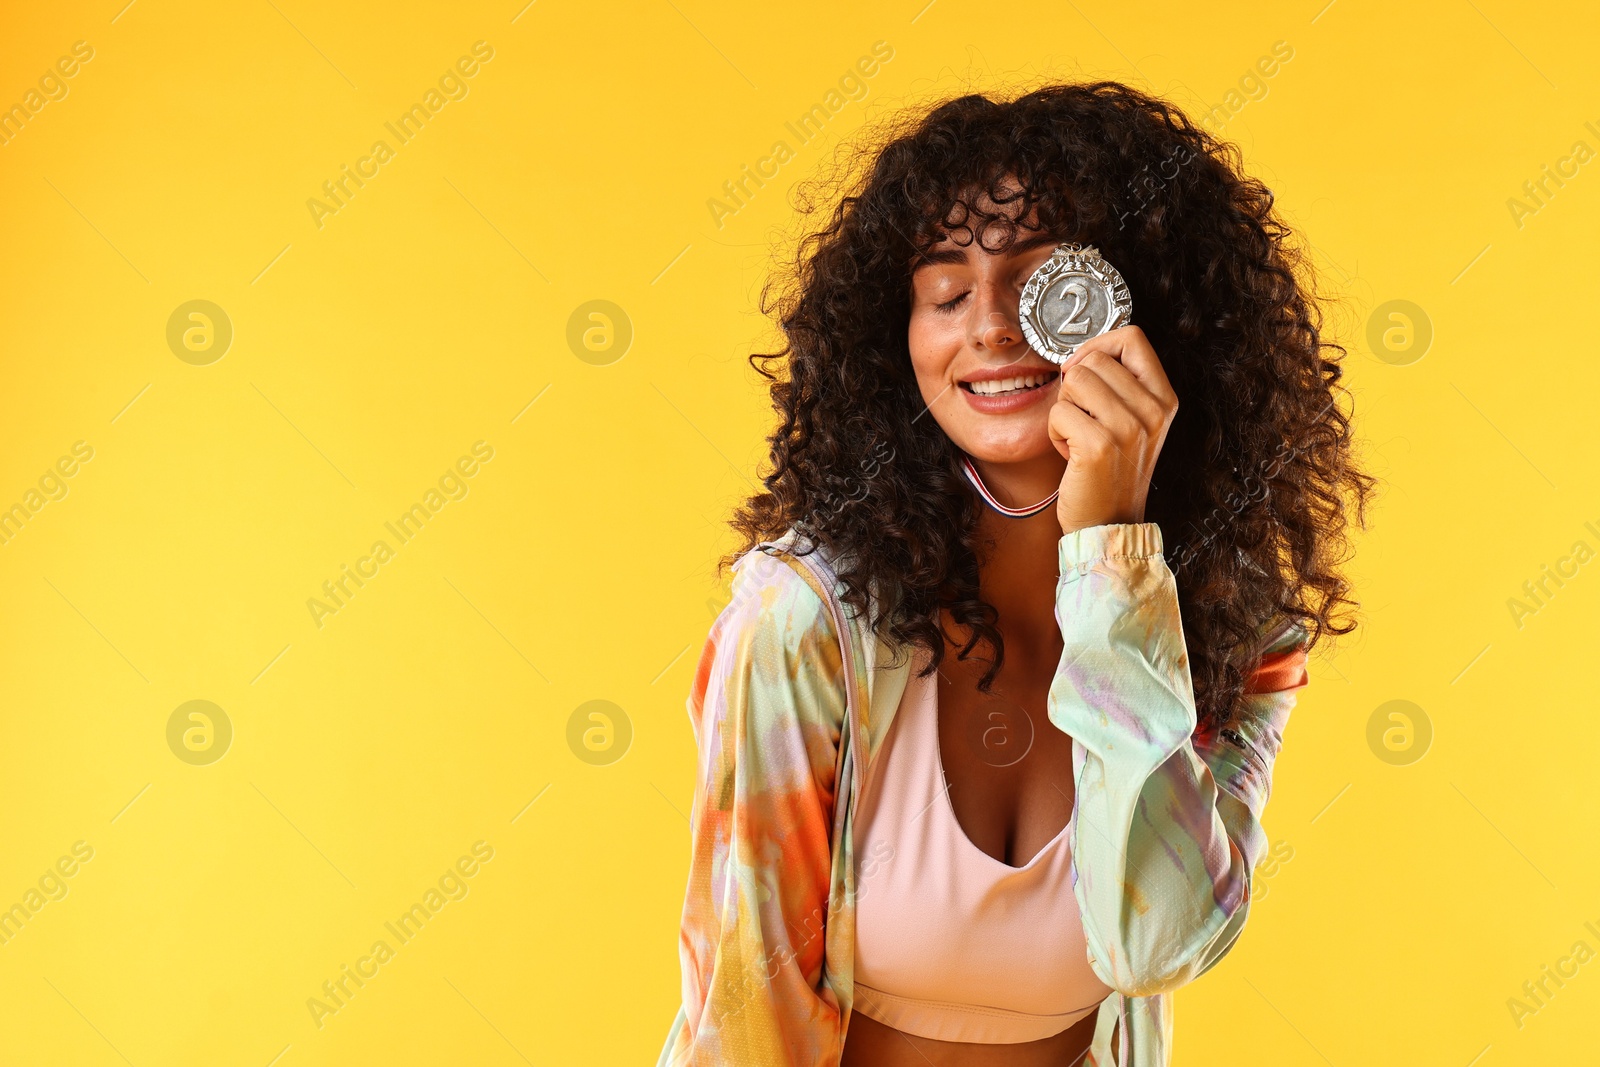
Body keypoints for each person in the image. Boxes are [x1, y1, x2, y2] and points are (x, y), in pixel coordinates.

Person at [658, 82, 1373, 1067]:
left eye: (1042, 284)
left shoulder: (1234, 634)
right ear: (895, 336)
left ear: (1148, 313)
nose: (989, 326)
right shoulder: (803, 621)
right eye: (945, 293)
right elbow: (745, 1016)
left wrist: (1113, 558)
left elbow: (1156, 941)